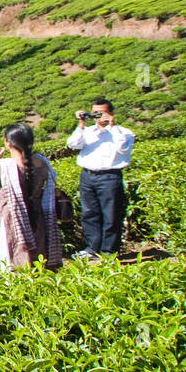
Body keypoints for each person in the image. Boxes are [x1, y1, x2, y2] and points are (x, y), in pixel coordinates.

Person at [0, 123, 62, 270]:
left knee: (11, 259)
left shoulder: (5, 166)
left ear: (8, 144)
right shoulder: (41, 162)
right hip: (36, 216)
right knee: (37, 262)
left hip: (11, 220)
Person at [66, 98, 134, 259]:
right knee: (89, 213)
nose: (97, 116)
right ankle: (91, 249)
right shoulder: (88, 131)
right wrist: (81, 125)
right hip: (87, 175)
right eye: (95, 112)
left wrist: (111, 126)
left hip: (109, 177)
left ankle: (109, 252)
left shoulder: (123, 132)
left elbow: (123, 148)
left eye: (101, 112)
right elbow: (72, 144)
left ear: (110, 113)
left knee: (111, 215)